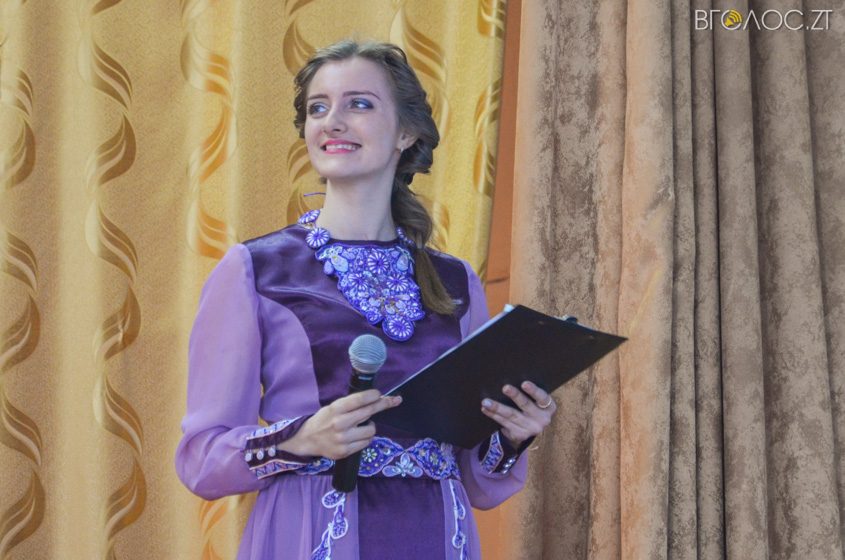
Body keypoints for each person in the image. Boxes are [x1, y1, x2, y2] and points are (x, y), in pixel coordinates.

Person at [175, 39, 557, 560]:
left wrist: (512, 436)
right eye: (318, 108)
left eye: (358, 103)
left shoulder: (456, 281)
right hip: (312, 533)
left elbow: (476, 481)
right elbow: (200, 458)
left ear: (406, 132)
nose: (332, 121)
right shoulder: (255, 270)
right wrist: (299, 439)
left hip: (437, 538)